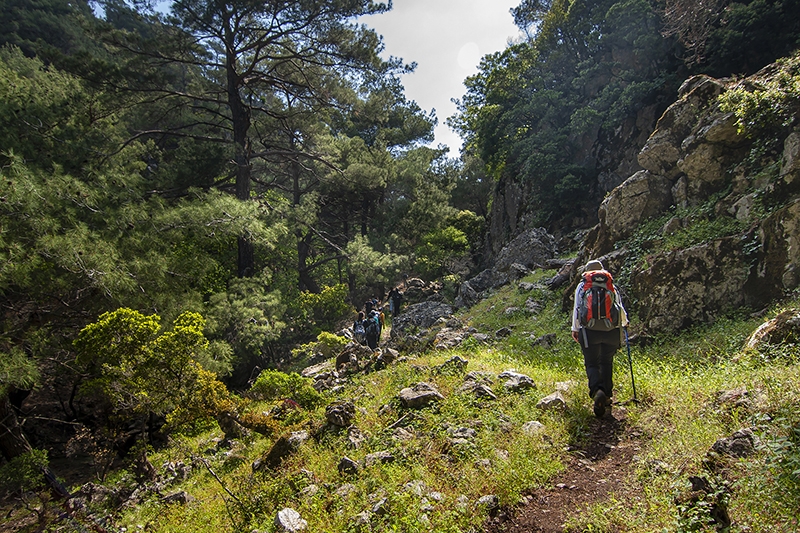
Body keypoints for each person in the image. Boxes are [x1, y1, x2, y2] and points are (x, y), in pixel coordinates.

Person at [571, 259, 629, 418]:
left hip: (589, 331)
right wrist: (624, 323)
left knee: (591, 362)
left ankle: (597, 391)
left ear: (587, 272)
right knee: (606, 362)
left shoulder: (583, 286)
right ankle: (608, 396)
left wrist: (575, 329)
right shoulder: (610, 284)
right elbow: (619, 306)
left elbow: (577, 308)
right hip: (611, 331)